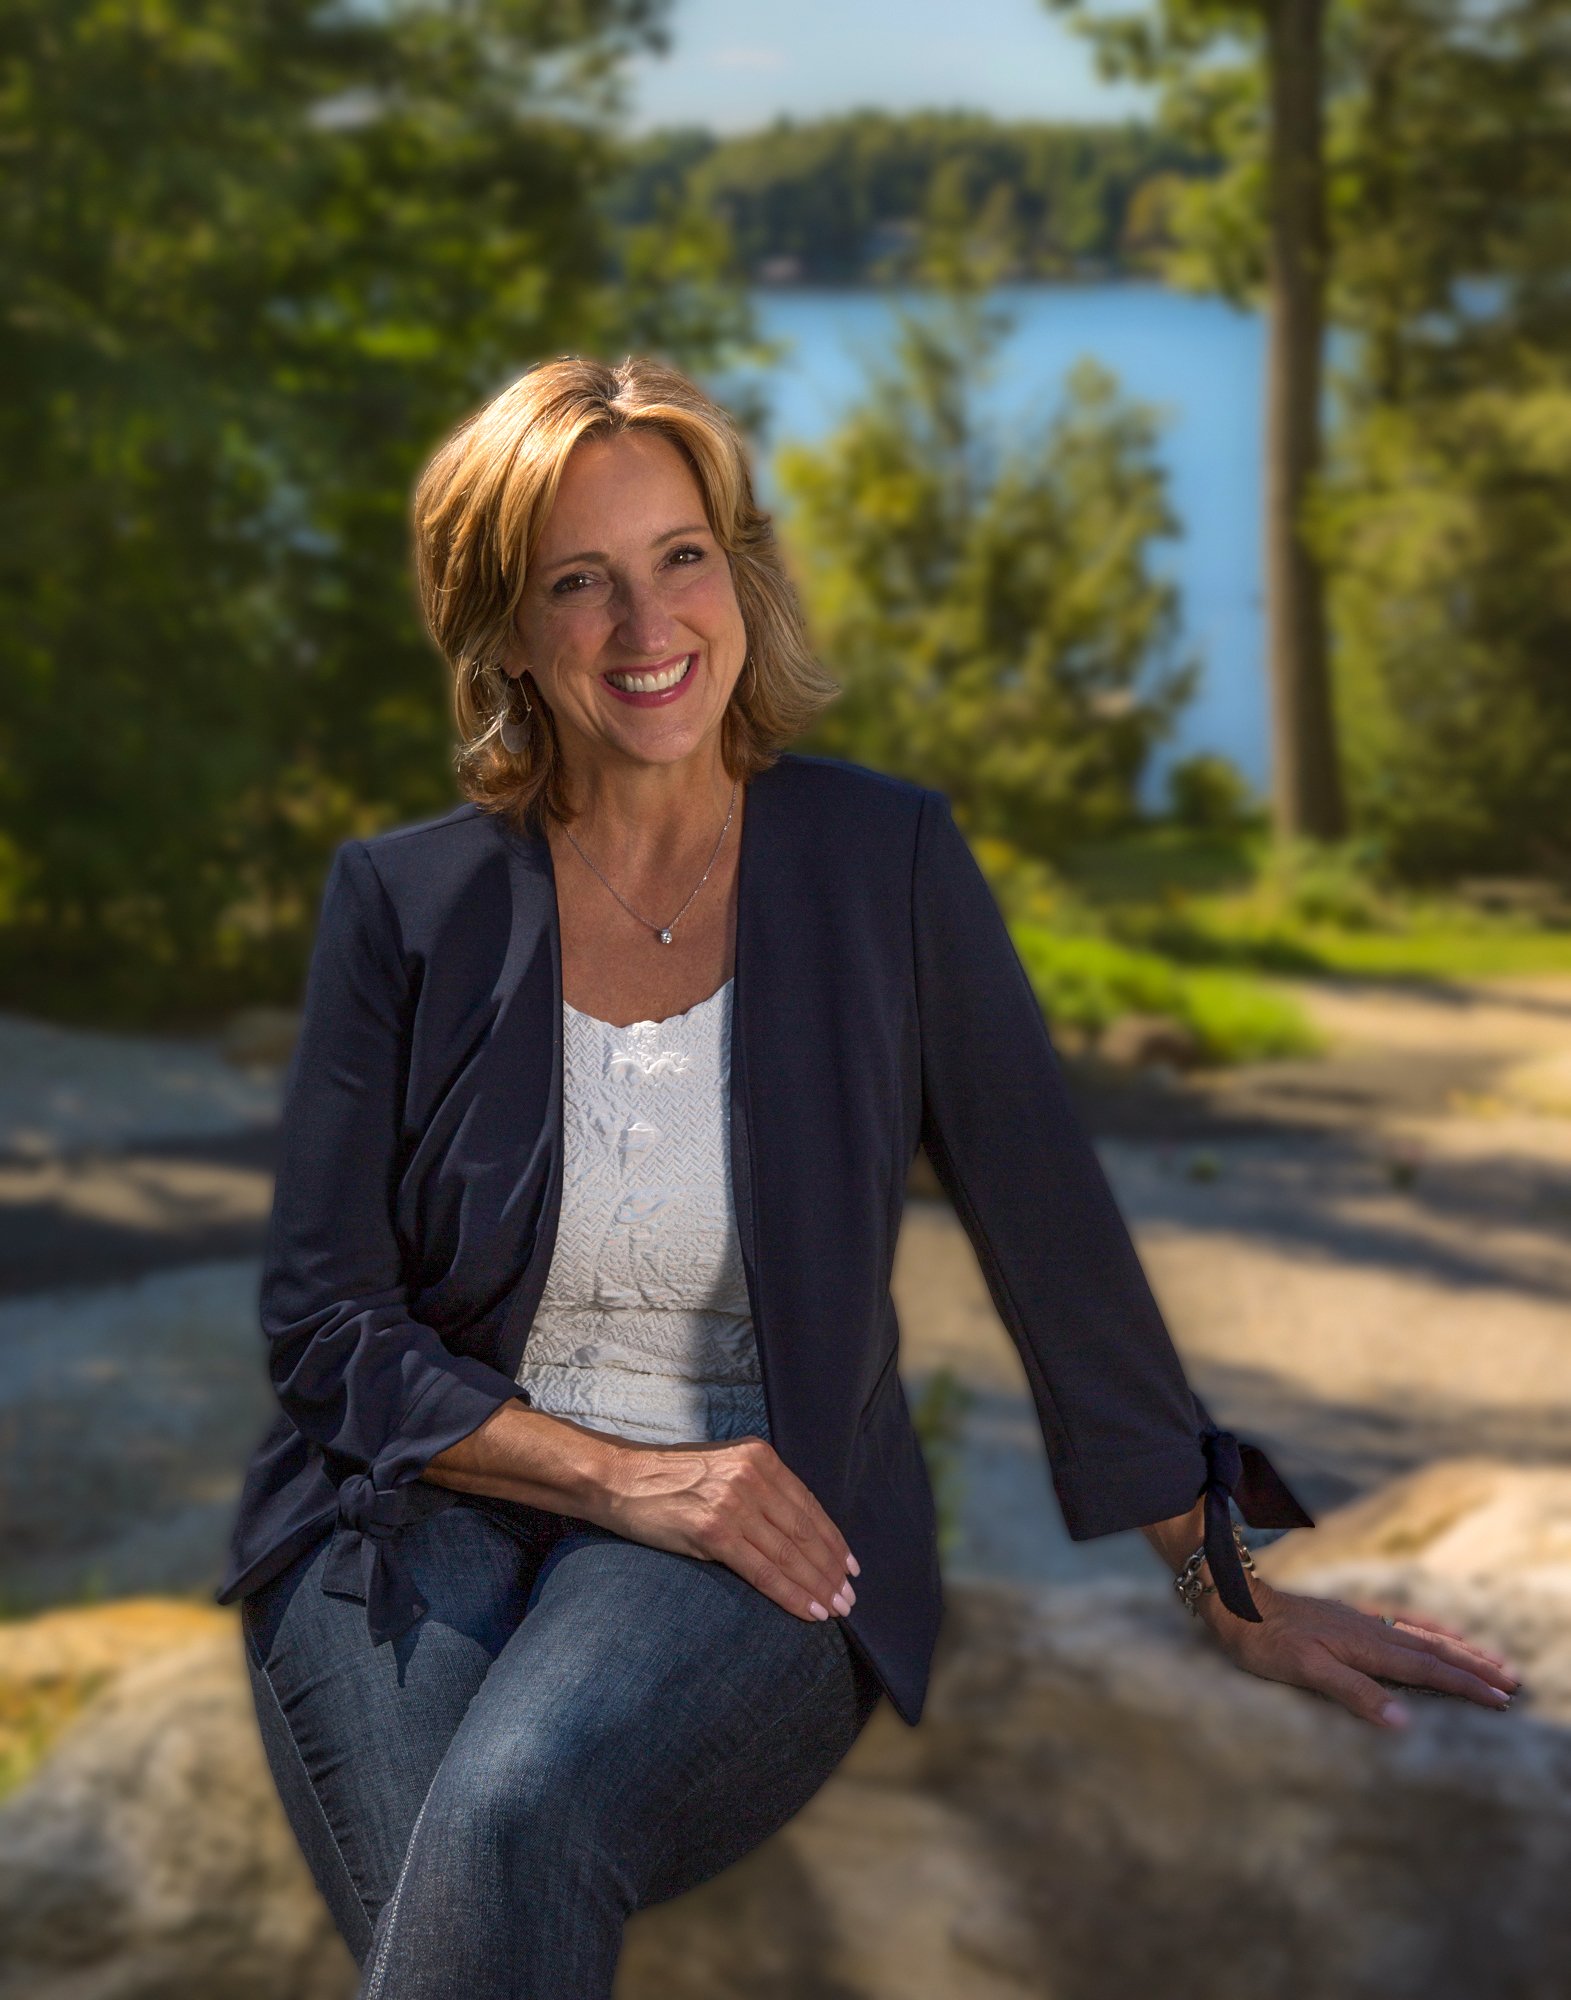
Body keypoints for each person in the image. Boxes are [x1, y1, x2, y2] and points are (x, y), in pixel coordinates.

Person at [216, 354, 1518, 1999]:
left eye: (680, 557)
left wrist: (1221, 1574)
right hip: (414, 1506)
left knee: (509, 1819)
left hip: (768, 1502)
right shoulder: (404, 904)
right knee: (463, 1869)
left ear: (740, 574)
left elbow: (1045, 1220)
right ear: (504, 633)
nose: (646, 628)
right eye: (579, 583)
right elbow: (325, 1323)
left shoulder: (878, 858)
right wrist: (619, 1480)